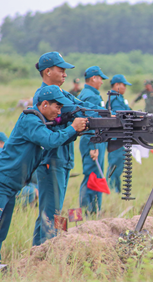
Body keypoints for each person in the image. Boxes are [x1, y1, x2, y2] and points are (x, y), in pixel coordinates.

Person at [0, 85, 87, 270]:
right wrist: (72, 129)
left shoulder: (40, 121)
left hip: (10, 186)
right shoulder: (31, 120)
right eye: (57, 107)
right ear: (44, 104)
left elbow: (54, 138)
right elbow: (50, 140)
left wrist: (74, 130)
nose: (59, 112)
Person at [32, 52, 111, 246]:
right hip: (53, 158)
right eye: (61, 70)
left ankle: (37, 252)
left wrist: (109, 115)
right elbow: (79, 111)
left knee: (50, 209)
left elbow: (82, 106)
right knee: (52, 211)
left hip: (61, 157)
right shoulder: (47, 95)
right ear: (48, 71)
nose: (65, 74)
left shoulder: (60, 92)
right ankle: (46, 255)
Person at [78, 66, 109, 214]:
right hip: (93, 140)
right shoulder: (91, 96)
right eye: (100, 78)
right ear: (93, 78)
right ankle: (87, 211)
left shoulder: (91, 93)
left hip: (96, 140)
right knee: (91, 176)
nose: (102, 82)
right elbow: (91, 122)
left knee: (95, 175)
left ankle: (94, 210)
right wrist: (94, 145)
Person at [106, 74, 132, 193]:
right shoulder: (115, 99)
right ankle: (111, 190)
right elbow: (118, 117)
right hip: (116, 138)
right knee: (115, 165)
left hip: (121, 137)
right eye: (123, 85)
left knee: (119, 165)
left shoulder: (119, 98)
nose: (125, 88)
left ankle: (115, 189)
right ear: (117, 85)